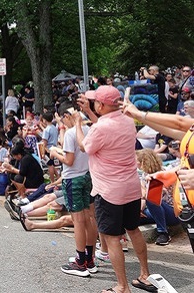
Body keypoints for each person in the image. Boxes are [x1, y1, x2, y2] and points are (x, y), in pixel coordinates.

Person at [75, 85, 155, 293]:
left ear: (101, 104)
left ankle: (122, 286)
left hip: (108, 190)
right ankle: (145, 274)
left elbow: (85, 146)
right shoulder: (128, 121)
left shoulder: (100, 128)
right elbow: (103, 126)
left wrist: (76, 124)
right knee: (133, 230)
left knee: (111, 238)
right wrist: (91, 113)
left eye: (95, 102)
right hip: (130, 187)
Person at [122, 99, 194, 252]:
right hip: (187, 210)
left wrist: (139, 114)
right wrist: (170, 174)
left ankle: (163, 232)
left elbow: (179, 123)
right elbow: (173, 130)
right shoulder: (190, 131)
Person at [49, 102, 97, 277]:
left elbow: (68, 160)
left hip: (73, 178)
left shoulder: (71, 133)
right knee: (89, 218)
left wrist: (55, 154)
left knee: (78, 221)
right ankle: (89, 259)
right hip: (87, 176)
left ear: (66, 116)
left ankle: (80, 261)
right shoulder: (90, 129)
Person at [136, 149, 180, 245]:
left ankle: (163, 233)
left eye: (137, 161)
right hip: (156, 209)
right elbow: (144, 197)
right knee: (133, 214)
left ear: (143, 162)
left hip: (172, 211)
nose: (136, 164)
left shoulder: (164, 173)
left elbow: (155, 196)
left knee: (151, 200)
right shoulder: (144, 176)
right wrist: (140, 210)